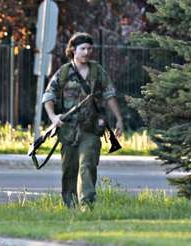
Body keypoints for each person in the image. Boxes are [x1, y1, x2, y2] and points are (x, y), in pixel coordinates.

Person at [42, 32, 123, 210]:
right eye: (83, 48)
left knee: (87, 165)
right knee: (69, 170)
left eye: (89, 48)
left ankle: (87, 205)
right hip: (68, 130)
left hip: (91, 129)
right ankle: (70, 207)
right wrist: (53, 117)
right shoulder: (63, 72)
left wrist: (119, 119)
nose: (87, 52)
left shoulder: (97, 71)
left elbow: (110, 95)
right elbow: (49, 96)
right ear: (73, 50)